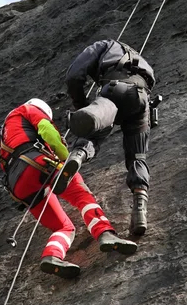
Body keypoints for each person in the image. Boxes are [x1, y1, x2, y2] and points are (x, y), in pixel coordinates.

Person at [0, 98, 137, 279]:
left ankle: (52, 256)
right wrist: (66, 160)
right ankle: (105, 233)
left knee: (63, 227)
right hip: (39, 164)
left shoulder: (3, 137)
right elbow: (47, 131)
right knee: (81, 195)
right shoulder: (27, 109)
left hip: (19, 187)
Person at [64, 39, 156, 236]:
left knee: (95, 128)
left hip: (114, 89)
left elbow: (74, 75)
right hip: (141, 100)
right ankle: (140, 209)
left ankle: (77, 156)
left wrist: (81, 104)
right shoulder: (144, 63)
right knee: (137, 157)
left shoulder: (104, 45)